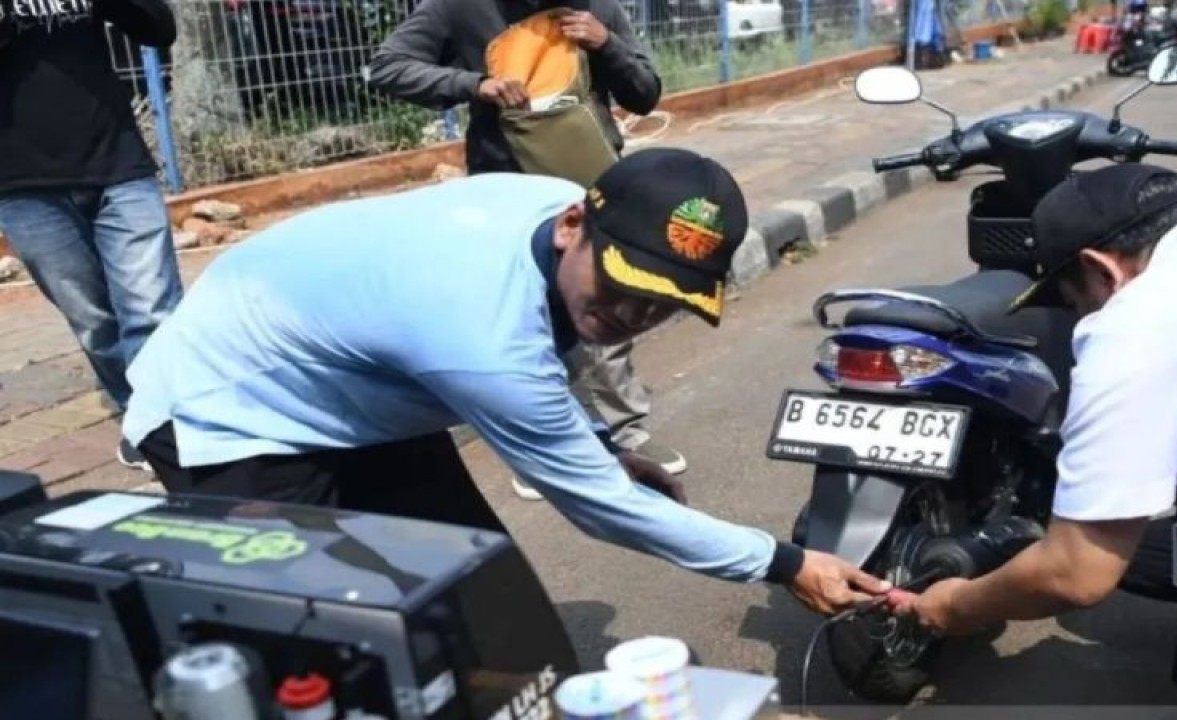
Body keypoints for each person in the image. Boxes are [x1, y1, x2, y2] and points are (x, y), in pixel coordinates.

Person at [120, 147, 890, 614]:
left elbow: (543, 349)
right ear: (572, 227)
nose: (629, 315)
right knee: (302, 637)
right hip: (227, 411)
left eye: (662, 306)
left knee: (472, 588)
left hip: (354, 387)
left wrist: (598, 442)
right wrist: (787, 563)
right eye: (621, 284)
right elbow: (602, 510)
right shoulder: (477, 338)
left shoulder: (547, 213)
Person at [886, 164, 1177, 704]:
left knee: (1118, 551)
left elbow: (1075, 573)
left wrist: (953, 606)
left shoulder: (1139, 329)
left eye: (1073, 302)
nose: (1081, 316)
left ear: (1101, 271)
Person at [367, 0, 683, 502]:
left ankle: (626, 432)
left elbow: (644, 94)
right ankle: (549, 445)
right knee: (527, 313)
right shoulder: (460, 8)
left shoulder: (597, 8)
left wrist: (606, 44)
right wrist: (473, 85)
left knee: (608, 297)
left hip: (591, 179)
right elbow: (387, 68)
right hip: (507, 193)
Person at [0, 0, 184, 472]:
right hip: (21, 183)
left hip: (119, 163)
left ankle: (164, 422)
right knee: (94, 320)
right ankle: (136, 411)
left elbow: (159, 29)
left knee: (152, 308)